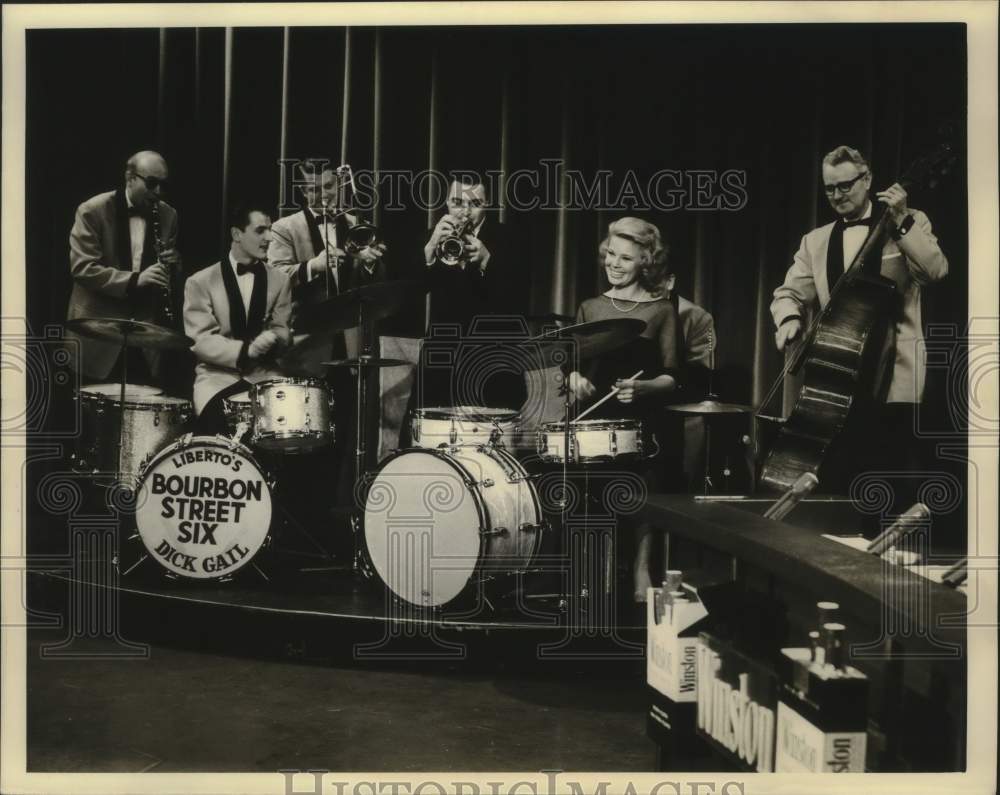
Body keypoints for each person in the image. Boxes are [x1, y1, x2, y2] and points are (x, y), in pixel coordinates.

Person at [770, 145, 949, 492]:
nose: (837, 196)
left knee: (888, 475)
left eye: (845, 186)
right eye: (829, 188)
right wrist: (789, 319)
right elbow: (788, 293)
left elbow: (935, 271)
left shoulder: (911, 221)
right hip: (837, 375)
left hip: (893, 371)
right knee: (839, 476)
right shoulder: (815, 241)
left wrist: (900, 221)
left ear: (867, 180)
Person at [568, 217, 682, 603]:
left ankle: (641, 567)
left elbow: (672, 378)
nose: (614, 264)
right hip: (595, 417)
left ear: (644, 264)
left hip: (642, 417)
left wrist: (643, 387)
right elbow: (569, 365)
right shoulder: (590, 307)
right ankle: (593, 569)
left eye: (626, 258)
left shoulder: (661, 310)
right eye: (610, 255)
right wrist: (573, 379)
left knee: (646, 479)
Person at [66, 150, 183, 384]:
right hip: (97, 333)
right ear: (130, 178)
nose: (158, 192)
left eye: (163, 185)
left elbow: (166, 272)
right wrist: (135, 280)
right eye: (151, 183)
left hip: (144, 337)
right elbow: (83, 268)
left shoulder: (168, 215)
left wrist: (174, 263)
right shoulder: (92, 210)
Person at [415, 174, 528, 412]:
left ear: (486, 204)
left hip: (492, 367)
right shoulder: (431, 238)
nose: (465, 212)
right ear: (446, 202)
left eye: (475, 204)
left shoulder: (512, 239)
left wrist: (488, 261)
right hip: (440, 366)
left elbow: (519, 303)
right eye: (457, 202)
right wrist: (429, 251)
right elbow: (409, 293)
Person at [184, 204, 292, 436]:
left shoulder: (281, 280)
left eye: (270, 230)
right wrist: (247, 350)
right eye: (260, 230)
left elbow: (283, 330)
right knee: (215, 434)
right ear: (237, 234)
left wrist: (276, 337)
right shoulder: (199, 281)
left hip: (265, 374)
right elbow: (202, 341)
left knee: (287, 428)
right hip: (216, 377)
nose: (269, 238)